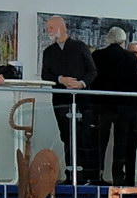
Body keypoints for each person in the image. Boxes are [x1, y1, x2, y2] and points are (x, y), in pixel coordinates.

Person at [38, 15, 96, 178]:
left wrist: (81, 83)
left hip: (82, 100)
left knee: (83, 136)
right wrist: (60, 79)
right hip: (61, 100)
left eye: (51, 27)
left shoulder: (79, 47)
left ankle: (85, 175)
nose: (48, 31)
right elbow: (45, 74)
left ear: (62, 28)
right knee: (66, 136)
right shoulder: (49, 52)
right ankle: (71, 174)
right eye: (47, 28)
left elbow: (92, 71)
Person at [90, 24, 137, 185]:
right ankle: (118, 177)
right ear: (123, 40)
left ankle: (97, 175)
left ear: (109, 39)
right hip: (125, 106)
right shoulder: (130, 57)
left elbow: (93, 80)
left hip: (102, 104)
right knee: (121, 143)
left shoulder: (97, 55)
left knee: (100, 142)